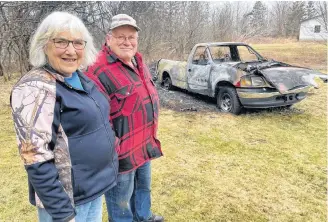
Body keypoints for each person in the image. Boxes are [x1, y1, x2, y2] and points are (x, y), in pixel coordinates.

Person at [10, 11, 118, 222]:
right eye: (61, 42)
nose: (71, 50)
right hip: (67, 201)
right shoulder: (35, 88)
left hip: (92, 189)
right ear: (44, 45)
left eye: (78, 43)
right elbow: (36, 159)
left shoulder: (81, 78)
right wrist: (63, 214)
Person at [85, 14, 163, 222]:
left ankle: (143, 216)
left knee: (143, 187)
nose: (127, 42)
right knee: (120, 200)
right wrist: (113, 148)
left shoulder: (138, 60)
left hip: (144, 143)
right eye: (121, 36)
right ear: (109, 38)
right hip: (120, 153)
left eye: (131, 37)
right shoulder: (97, 68)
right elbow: (96, 117)